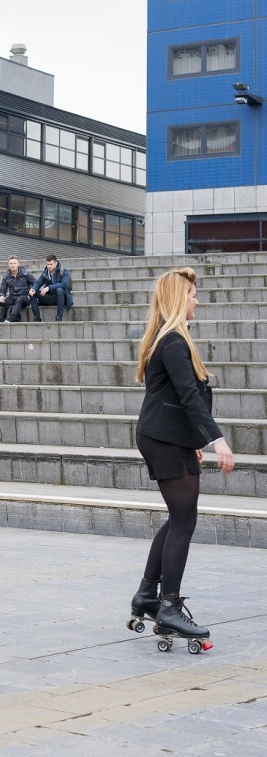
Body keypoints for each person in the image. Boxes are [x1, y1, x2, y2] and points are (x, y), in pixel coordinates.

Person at [128, 266, 234, 644]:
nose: (197, 300)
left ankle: (147, 593)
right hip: (163, 437)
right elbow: (188, 396)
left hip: (164, 435)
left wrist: (192, 441)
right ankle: (168, 606)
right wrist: (216, 440)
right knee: (184, 520)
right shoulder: (172, 340)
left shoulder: (170, 337)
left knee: (178, 518)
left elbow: (176, 397)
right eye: (192, 295)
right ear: (178, 299)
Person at [0, 255, 35, 323]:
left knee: (20, 299)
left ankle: (11, 318)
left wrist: (31, 292)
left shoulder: (25, 274)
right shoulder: (6, 276)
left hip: (24, 297)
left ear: (18, 264)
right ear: (8, 265)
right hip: (12, 297)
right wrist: (1, 295)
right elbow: (2, 289)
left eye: (14, 263)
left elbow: (36, 283)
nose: (13, 265)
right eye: (11, 263)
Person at [29, 254, 73, 322]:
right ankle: (37, 318)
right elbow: (38, 283)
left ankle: (59, 317)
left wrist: (49, 287)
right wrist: (33, 289)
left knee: (59, 290)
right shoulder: (46, 272)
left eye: (51, 264)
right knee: (32, 292)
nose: (49, 266)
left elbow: (65, 284)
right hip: (49, 297)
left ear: (56, 263)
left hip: (61, 298)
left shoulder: (63, 271)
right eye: (47, 264)